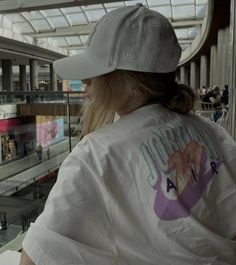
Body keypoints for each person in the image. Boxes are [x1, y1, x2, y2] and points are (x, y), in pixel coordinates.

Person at [20, 4, 236, 265]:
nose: (85, 81)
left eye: (94, 71)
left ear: (130, 84)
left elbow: (35, 258)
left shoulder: (96, 157)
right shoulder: (211, 130)